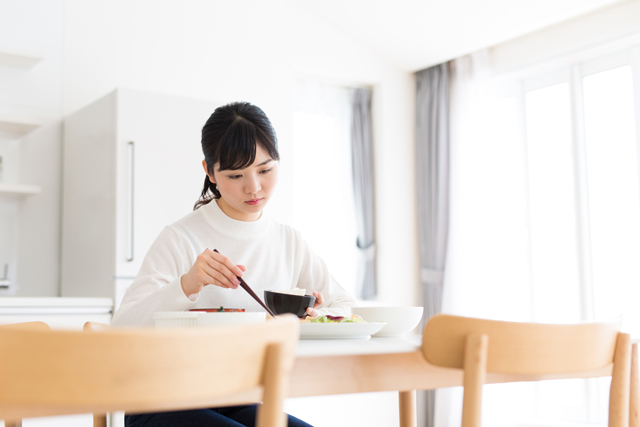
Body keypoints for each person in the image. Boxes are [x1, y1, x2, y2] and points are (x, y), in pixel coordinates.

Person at [112, 101, 356, 427]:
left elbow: (346, 307)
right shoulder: (181, 237)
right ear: (209, 172)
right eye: (236, 175)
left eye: (265, 170)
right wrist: (188, 283)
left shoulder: (288, 241)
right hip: (159, 399)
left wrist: (314, 318)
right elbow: (122, 329)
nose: (253, 187)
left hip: (235, 398)